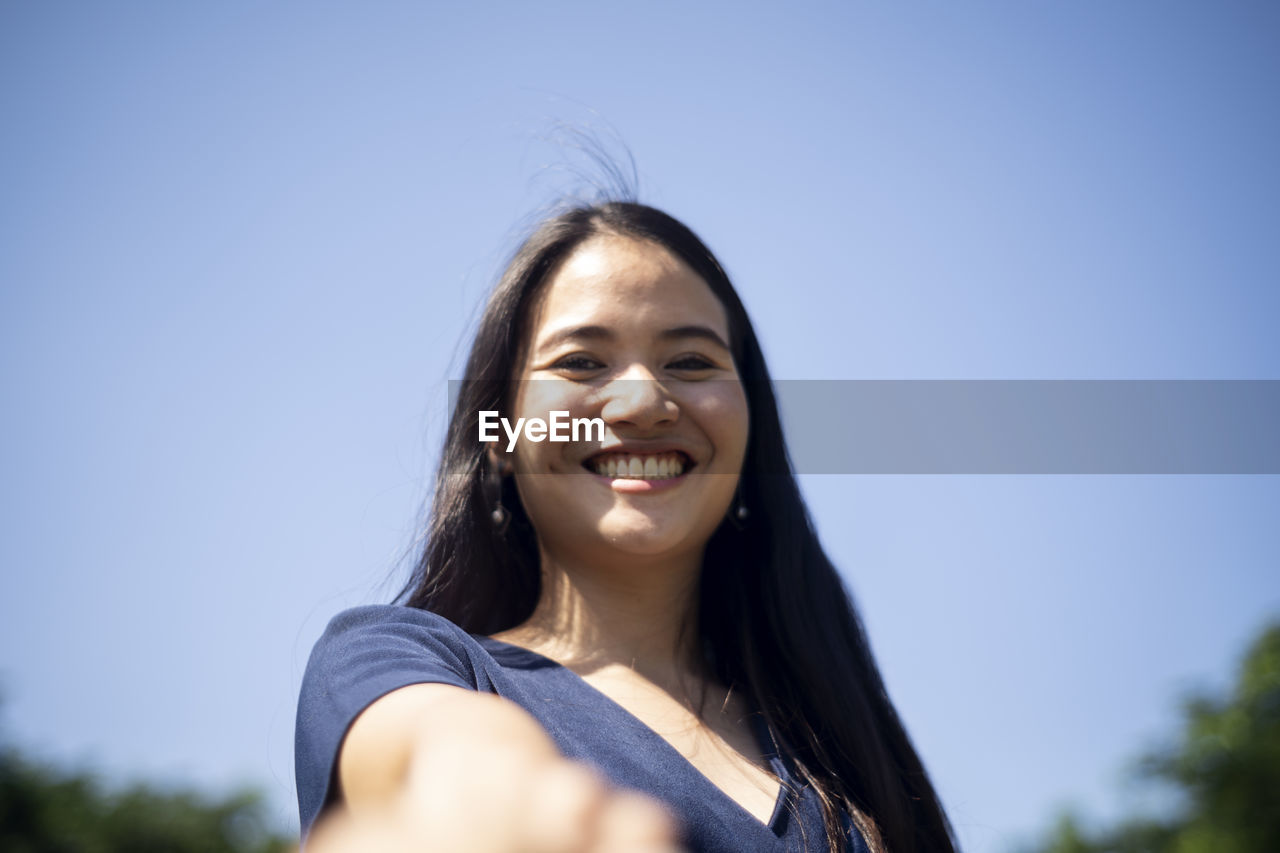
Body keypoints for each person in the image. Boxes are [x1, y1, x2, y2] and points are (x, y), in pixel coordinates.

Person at [295, 200, 959, 853]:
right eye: (581, 361)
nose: (644, 403)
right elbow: (429, 750)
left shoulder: (842, 751)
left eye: (692, 362)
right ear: (498, 433)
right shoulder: (396, 660)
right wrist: (497, 788)